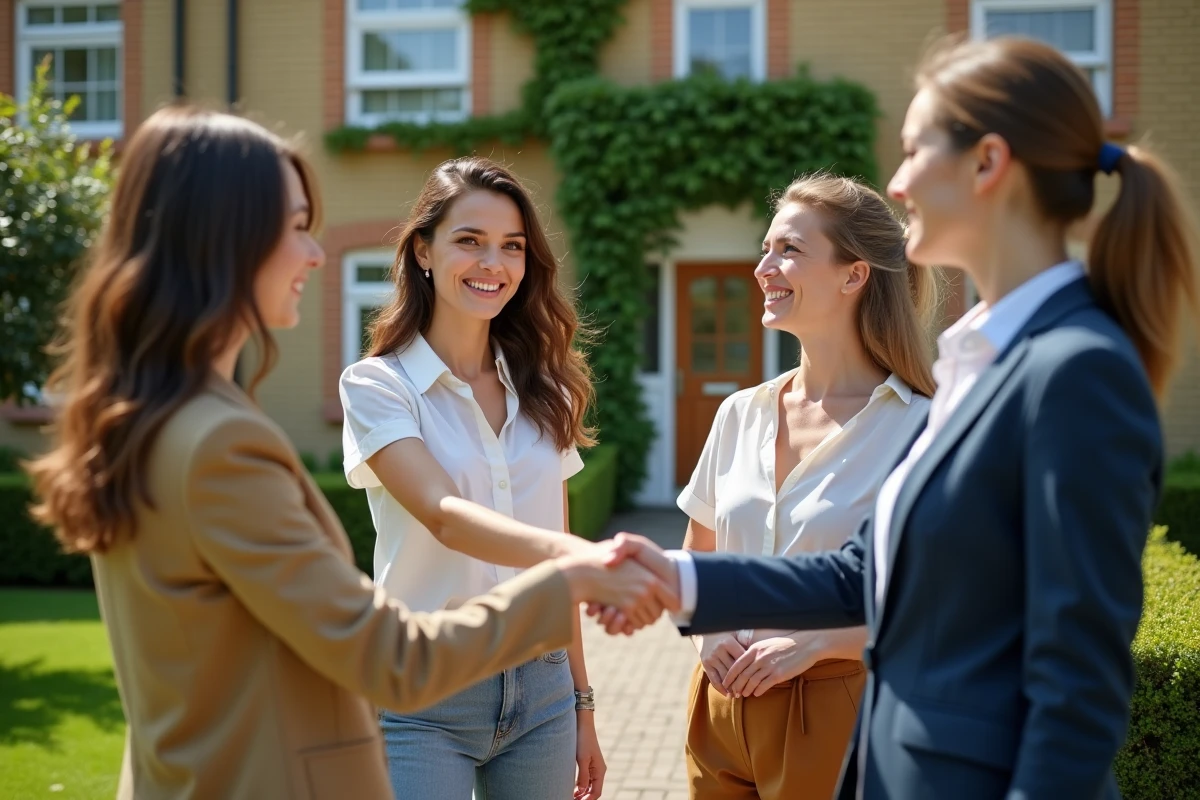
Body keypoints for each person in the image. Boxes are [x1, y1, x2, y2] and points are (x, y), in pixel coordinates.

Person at [598, 35, 1199, 800]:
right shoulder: (975, 366)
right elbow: (870, 579)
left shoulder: (1075, 370)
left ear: (987, 163)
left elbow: (1077, 684)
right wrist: (678, 576)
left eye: (915, 150)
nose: (898, 179)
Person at [23, 107, 673, 800]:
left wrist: (579, 695)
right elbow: (389, 654)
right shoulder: (219, 440)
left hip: (527, 694)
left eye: (512, 245)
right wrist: (571, 575)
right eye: (295, 227)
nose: (316, 253)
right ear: (224, 239)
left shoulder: (160, 419)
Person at [338, 156, 615, 800]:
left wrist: (583, 703)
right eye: (470, 240)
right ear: (424, 253)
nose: (494, 263)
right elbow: (442, 512)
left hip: (543, 689)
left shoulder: (544, 389)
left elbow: (556, 549)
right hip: (425, 689)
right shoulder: (379, 386)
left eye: (512, 247)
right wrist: (587, 559)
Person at [677, 174, 933, 799]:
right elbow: (698, 547)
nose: (764, 267)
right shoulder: (740, 412)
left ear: (854, 274)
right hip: (718, 702)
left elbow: (950, 603)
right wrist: (708, 630)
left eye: (788, 249)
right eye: (766, 248)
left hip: (839, 705)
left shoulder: (923, 427)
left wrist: (817, 644)